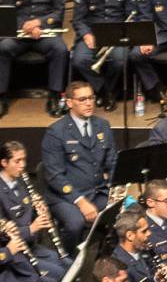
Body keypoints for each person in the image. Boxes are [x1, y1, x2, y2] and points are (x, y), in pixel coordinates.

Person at [41, 82, 116, 245]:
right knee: (75, 224)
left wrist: (116, 189)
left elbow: (112, 162)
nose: (89, 103)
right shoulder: (56, 132)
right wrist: (80, 201)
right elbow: (55, 176)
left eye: (91, 98)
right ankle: (69, 261)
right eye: (82, 99)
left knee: (126, 213)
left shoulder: (102, 126)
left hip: (97, 192)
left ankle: (106, 258)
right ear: (69, 103)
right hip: (66, 196)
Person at [70, 0, 141, 110]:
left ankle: (106, 93)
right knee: (79, 60)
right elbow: (78, 18)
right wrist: (86, 34)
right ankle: (104, 91)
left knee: (118, 60)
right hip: (92, 34)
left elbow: (133, 14)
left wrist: (122, 33)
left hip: (117, 34)